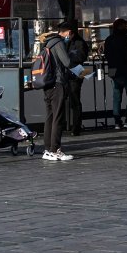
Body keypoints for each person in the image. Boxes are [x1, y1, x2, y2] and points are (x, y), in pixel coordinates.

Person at [40, 19, 89, 161]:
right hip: (57, 83)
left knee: (49, 117)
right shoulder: (58, 43)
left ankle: (48, 149)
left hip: (47, 83)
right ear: (67, 33)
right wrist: (71, 58)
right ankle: (55, 150)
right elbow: (66, 62)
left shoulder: (47, 43)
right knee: (57, 117)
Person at [103, 17, 127, 130]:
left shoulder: (109, 39)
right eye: (125, 25)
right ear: (120, 26)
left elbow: (107, 55)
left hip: (113, 71)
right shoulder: (124, 39)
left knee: (117, 96)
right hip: (125, 71)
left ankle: (117, 121)